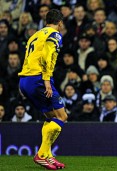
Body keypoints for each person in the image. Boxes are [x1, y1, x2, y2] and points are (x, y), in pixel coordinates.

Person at [18, 9, 67, 170]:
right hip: (39, 78)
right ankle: (41, 154)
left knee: (51, 117)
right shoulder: (55, 34)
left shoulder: (36, 35)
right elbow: (48, 56)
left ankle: (49, 156)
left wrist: (24, 83)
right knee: (62, 116)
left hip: (26, 79)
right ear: (59, 22)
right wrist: (46, 80)